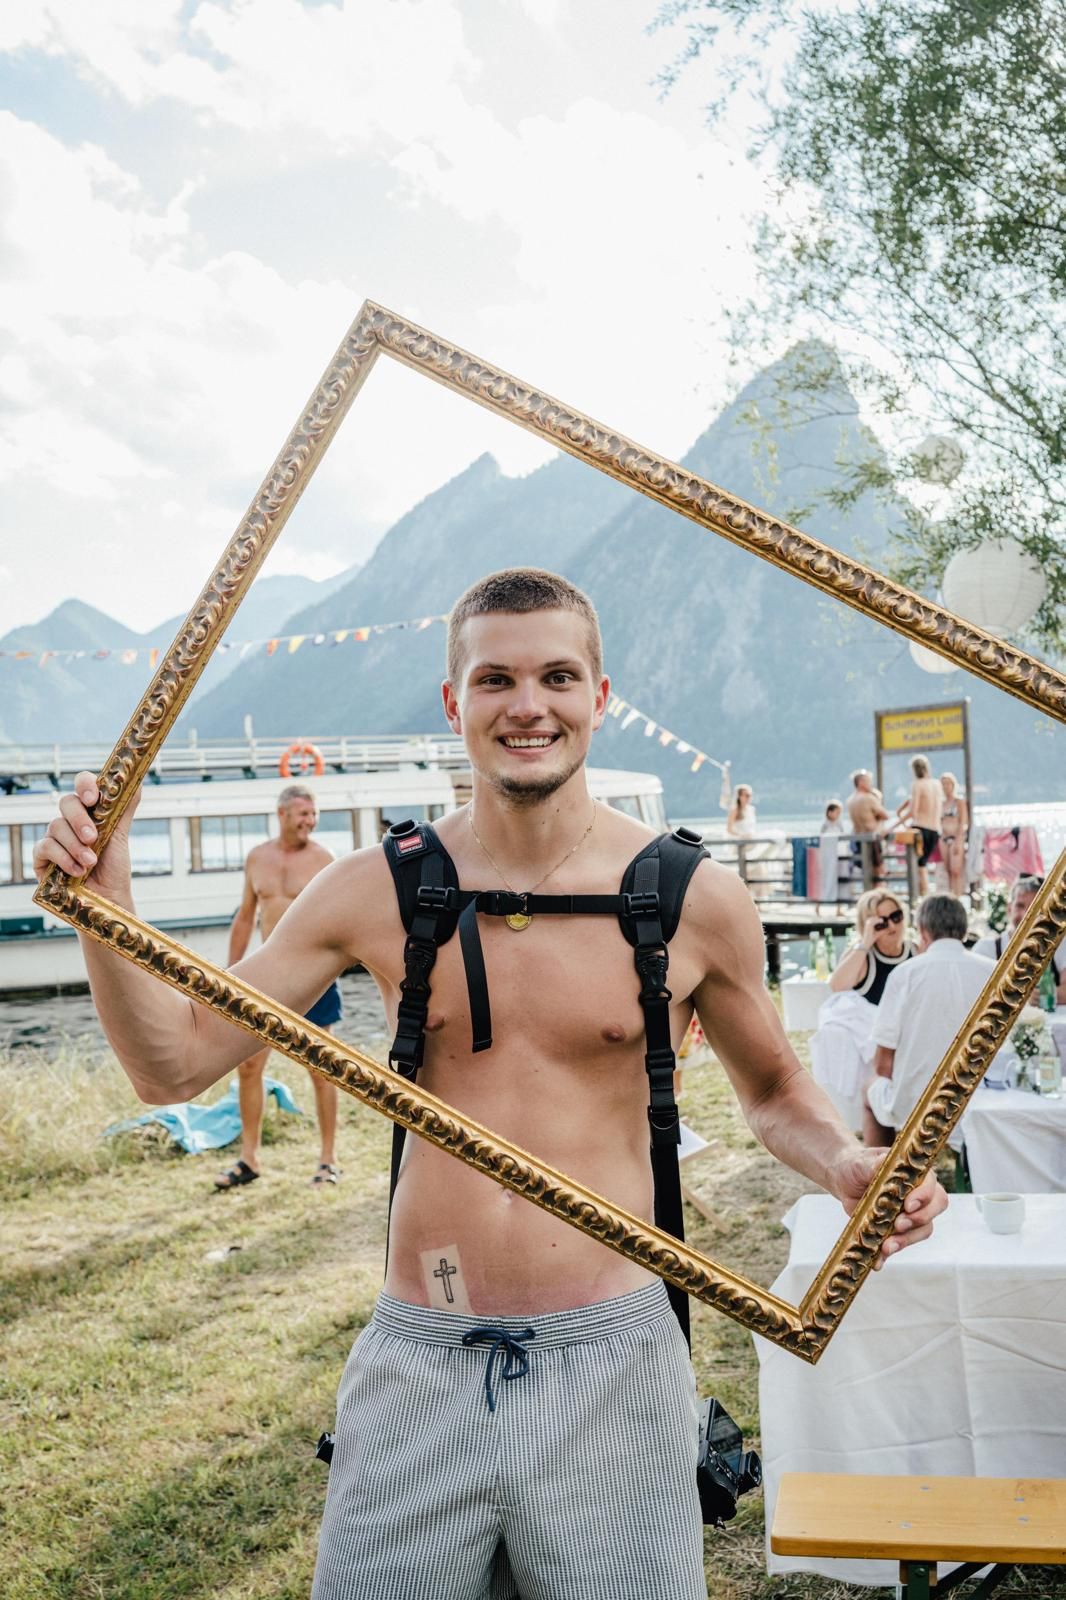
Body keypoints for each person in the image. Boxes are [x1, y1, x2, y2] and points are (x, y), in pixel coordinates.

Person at [34, 567, 947, 1600]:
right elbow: (174, 1062)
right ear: (452, 702)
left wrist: (845, 1160)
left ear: (599, 697)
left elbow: (777, 1085)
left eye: (558, 675)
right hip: (418, 1360)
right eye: (495, 679)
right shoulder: (375, 886)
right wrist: (102, 913)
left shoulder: (692, 895)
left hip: (617, 1359)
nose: (527, 705)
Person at [215, 783, 342, 1190]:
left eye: (314, 813)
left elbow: (341, 919)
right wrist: (230, 974)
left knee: (322, 1069)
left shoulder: (325, 860)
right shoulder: (258, 858)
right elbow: (244, 917)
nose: (311, 821)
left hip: (312, 977)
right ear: (282, 815)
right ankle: (248, 1158)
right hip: (265, 977)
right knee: (248, 1066)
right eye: (303, 814)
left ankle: (328, 1160)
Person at [865, 894, 995, 1147]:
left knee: (869, 1089)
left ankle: (880, 1173)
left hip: (917, 1106)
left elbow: (883, 1065)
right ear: (965, 931)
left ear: (923, 932)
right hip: (982, 1099)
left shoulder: (904, 974)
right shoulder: (993, 971)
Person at [972, 875, 1066, 1005]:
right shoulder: (987, 948)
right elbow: (974, 994)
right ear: (1009, 909)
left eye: (1035, 908)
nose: (1026, 915)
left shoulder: (1059, 945)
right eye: (1020, 906)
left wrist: (1042, 996)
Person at [828, 887, 915, 1005]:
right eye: (882, 922)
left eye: (896, 916)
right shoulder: (862, 955)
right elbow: (837, 987)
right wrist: (866, 942)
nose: (892, 926)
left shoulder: (915, 950)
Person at [895, 754, 943, 897]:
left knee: (918, 866)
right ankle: (925, 896)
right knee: (923, 865)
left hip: (920, 828)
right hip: (935, 829)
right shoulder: (936, 784)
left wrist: (895, 826)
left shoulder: (917, 784)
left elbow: (913, 812)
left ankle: (921, 898)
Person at [846, 769, 889, 884]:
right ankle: (879, 896)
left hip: (858, 839)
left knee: (866, 871)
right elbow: (885, 815)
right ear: (860, 783)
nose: (871, 784)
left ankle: (869, 895)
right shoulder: (868, 798)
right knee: (878, 871)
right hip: (872, 838)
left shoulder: (850, 800)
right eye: (869, 781)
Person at [937, 772, 969, 895]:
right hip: (944, 838)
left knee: (956, 870)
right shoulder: (941, 803)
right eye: (943, 784)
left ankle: (958, 896)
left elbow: (963, 822)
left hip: (957, 837)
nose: (946, 786)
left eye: (948, 784)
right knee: (948, 871)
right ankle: (951, 896)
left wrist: (958, 840)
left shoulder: (959, 802)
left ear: (953, 785)